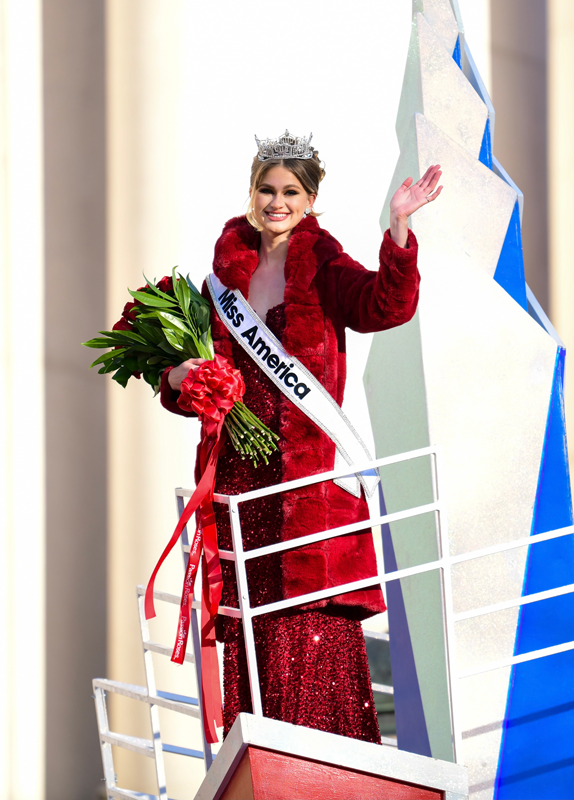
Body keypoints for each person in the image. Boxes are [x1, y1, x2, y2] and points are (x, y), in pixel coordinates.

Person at [159, 131, 442, 743]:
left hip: (307, 495)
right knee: (247, 632)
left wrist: (399, 229)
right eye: (267, 188)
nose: (276, 201)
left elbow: (385, 305)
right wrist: (179, 376)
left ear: (311, 200)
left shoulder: (325, 267)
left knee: (307, 635)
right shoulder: (221, 281)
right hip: (238, 486)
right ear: (252, 193)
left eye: (290, 191)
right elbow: (188, 384)